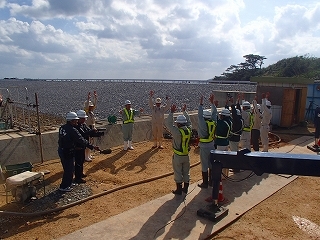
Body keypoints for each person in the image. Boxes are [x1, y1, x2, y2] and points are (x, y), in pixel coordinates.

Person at [58, 111, 100, 192]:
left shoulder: (62, 127)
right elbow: (81, 139)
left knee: (68, 168)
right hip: (67, 151)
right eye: (75, 120)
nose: (76, 121)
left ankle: (68, 183)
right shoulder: (72, 130)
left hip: (62, 150)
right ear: (71, 121)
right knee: (69, 170)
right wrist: (92, 147)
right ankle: (64, 186)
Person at [165, 103, 192, 195]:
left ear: (179, 124)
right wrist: (185, 112)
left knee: (178, 172)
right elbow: (189, 122)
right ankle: (186, 189)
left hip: (178, 156)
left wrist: (171, 112)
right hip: (186, 155)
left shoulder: (177, 132)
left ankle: (179, 190)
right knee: (186, 172)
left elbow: (168, 123)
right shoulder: (189, 130)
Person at [197, 94, 217, 189]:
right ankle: (211, 181)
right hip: (212, 145)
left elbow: (199, 116)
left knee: (204, 164)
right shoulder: (213, 122)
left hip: (204, 146)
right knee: (211, 164)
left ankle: (205, 183)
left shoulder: (203, 124)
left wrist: (201, 104)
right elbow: (214, 114)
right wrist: (212, 103)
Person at [74, 110, 98, 184]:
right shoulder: (76, 127)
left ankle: (80, 174)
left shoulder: (83, 125)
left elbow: (88, 132)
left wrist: (96, 133)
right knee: (78, 162)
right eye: (83, 118)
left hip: (82, 146)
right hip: (77, 147)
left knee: (81, 161)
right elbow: (83, 134)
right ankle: (77, 177)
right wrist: (92, 131)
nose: (85, 120)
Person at [227, 95, 243, 173]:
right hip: (237, 138)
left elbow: (234, 113)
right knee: (236, 152)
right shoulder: (241, 119)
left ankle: (235, 168)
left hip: (233, 138)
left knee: (234, 153)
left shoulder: (237, 120)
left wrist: (232, 104)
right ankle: (237, 167)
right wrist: (237, 103)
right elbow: (238, 111)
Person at [215, 108, 232, 178]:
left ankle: (221, 176)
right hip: (226, 142)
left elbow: (217, 122)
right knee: (225, 159)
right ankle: (226, 174)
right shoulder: (229, 122)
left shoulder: (222, 123)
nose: (220, 116)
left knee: (219, 159)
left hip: (220, 143)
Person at [84, 91, 98, 161]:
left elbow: (95, 104)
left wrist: (95, 97)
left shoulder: (91, 112)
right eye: (90, 106)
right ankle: (86, 156)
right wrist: (88, 99)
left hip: (92, 128)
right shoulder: (86, 112)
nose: (92, 107)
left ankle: (89, 155)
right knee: (88, 142)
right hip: (87, 128)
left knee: (91, 142)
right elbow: (86, 106)